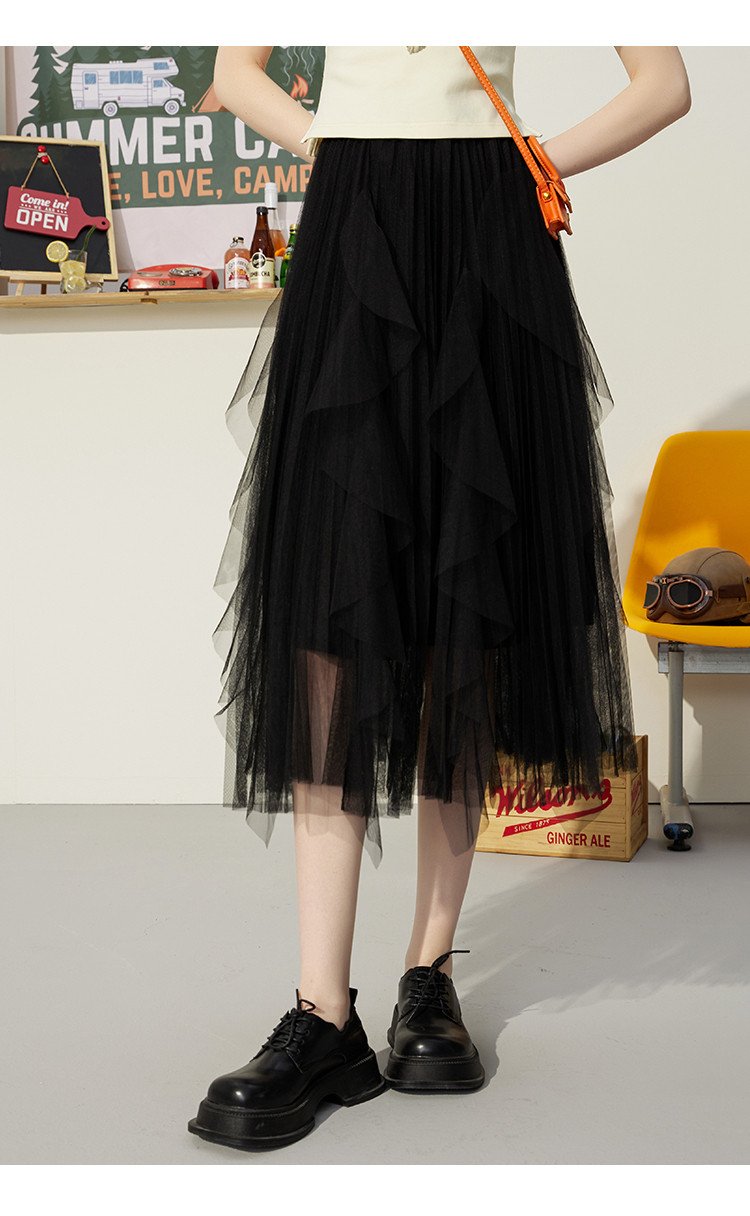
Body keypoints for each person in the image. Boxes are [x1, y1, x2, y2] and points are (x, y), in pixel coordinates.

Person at [188, 45, 691, 1152]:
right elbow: (236, 68)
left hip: (487, 231)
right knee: (332, 618)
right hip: (355, 218)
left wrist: (526, 164)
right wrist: (334, 144)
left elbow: (666, 83)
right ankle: (324, 1012)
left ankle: (429, 975)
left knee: (466, 611)